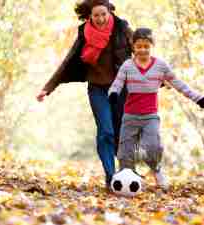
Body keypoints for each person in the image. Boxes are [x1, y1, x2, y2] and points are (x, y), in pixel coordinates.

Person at [36, 0, 132, 189]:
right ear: (90, 16)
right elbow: (69, 61)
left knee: (121, 132)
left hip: (121, 88)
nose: (100, 19)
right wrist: (47, 88)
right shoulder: (84, 33)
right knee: (106, 131)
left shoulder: (122, 28)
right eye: (96, 15)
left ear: (109, 12)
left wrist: (160, 78)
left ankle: (126, 172)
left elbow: (140, 52)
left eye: (103, 14)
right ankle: (111, 176)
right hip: (97, 89)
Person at [108, 28, 204, 190]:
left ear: (151, 46)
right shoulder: (127, 66)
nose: (142, 50)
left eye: (146, 46)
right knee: (125, 152)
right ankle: (126, 181)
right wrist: (113, 93)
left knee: (153, 146)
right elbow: (117, 83)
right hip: (130, 116)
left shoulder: (160, 66)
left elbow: (178, 84)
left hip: (150, 116)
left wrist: (198, 98)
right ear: (133, 47)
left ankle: (156, 170)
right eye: (139, 46)